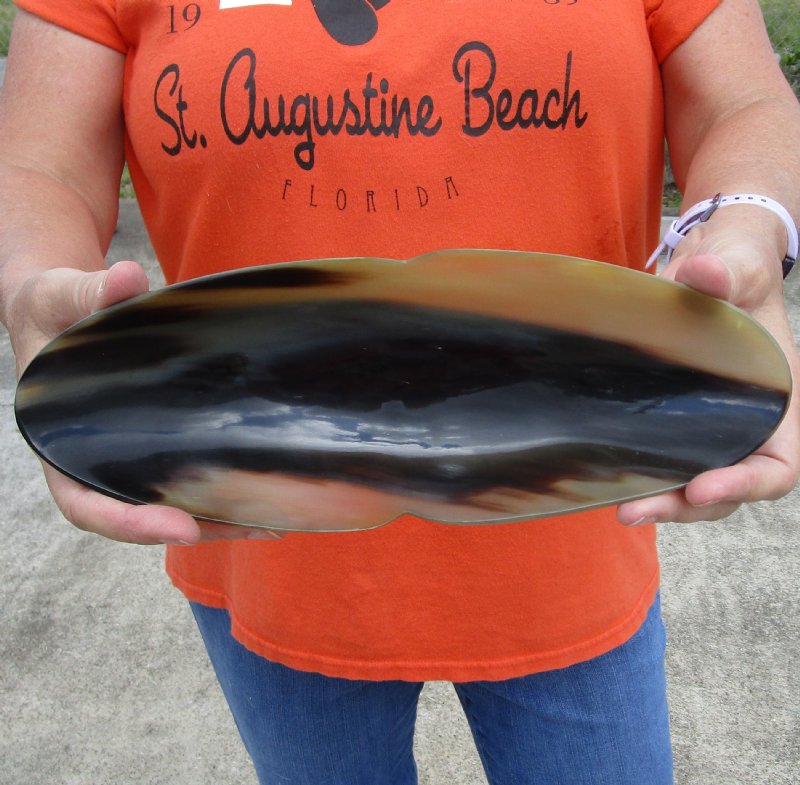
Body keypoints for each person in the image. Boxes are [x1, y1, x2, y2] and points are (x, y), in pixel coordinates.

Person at [1, 1, 798, 783]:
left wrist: (749, 220)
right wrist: (35, 286)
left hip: (574, 518)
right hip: (263, 528)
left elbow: (742, 103)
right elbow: (40, 167)